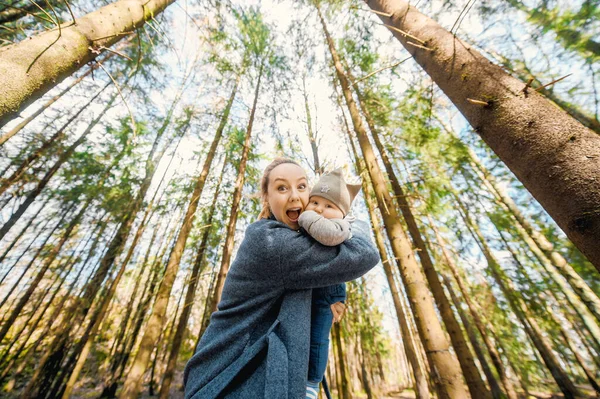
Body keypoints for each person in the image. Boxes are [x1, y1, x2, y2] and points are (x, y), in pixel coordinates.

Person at [183, 158, 379, 399]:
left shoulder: (295, 244)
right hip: (227, 380)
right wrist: (353, 223)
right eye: (282, 188)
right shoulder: (268, 241)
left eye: (302, 186)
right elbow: (364, 255)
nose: (295, 196)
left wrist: (328, 298)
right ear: (267, 197)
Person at [297, 168, 362, 399]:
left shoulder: (342, 226)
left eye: (329, 206)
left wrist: (306, 215)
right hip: (302, 291)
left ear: (342, 213)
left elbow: (329, 238)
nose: (319, 209)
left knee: (318, 339)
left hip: (327, 294)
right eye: (314, 202)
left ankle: (311, 384)